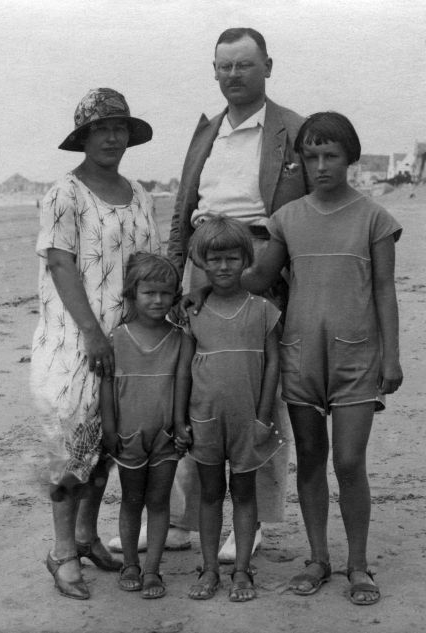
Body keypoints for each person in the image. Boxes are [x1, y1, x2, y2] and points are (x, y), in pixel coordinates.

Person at [108, 26, 311, 562]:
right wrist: (176, 276)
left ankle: (257, 520)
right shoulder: (208, 131)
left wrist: (285, 276)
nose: (233, 76)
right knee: (195, 387)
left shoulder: (294, 129)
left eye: (244, 65)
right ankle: (176, 520)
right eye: (224, 66)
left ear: (268, 65)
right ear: (214, 71)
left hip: (266, 263)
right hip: (204, 259)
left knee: (255, 388)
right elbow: (182, 212)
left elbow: (309, 211)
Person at [241, 112, 404, 606]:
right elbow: (257, 277)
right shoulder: (287, 219)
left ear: (350, 157)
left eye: (330, 155)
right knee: (311, 460)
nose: (320, 165)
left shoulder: (375, 218)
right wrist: (212, 270)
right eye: (310, 157)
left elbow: (384, 289)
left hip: (358, 358)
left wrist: (391, 358)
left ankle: (358, 564)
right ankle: (318, 557)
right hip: (301, 357)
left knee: (350, 461)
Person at [30, 87, 161, 601]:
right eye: (100, 129)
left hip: (127, 338)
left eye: (119, 128)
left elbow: (151, 267)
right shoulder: (65, 192)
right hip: (74, 341)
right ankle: (62, 550)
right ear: (84, 138)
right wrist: (92, 334)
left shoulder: (142, 194)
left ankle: (87, 535)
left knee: (108, 442)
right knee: (70, 448)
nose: (111, 137)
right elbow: (60, 263)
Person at [178, 216, 285, 602]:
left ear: (247, 260)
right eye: (215, 259)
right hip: (203, 418)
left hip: (248, 420)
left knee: (244, 494)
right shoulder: (194, 312)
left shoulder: (263, 309)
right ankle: (209, 569)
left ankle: (241, 570)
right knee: (209, 494)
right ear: (202, 263)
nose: (223, 266)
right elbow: (183, 370)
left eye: (232, 258)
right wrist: (179, 420)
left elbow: (273, 363)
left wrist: (264, 416)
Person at [99, 253, 193, 600]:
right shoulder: (116, 338)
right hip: (128, 436)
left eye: (166, 294)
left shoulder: (181, 338)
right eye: (149, 293)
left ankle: (152, 569)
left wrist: (181, 425)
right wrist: (110, 431)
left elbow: (183, 383)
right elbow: (106, 387)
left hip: (166, 436)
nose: (158, 300)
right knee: (131, 499)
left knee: (158, 501)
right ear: (131, 294)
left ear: (175, 296)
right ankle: (130, 564)